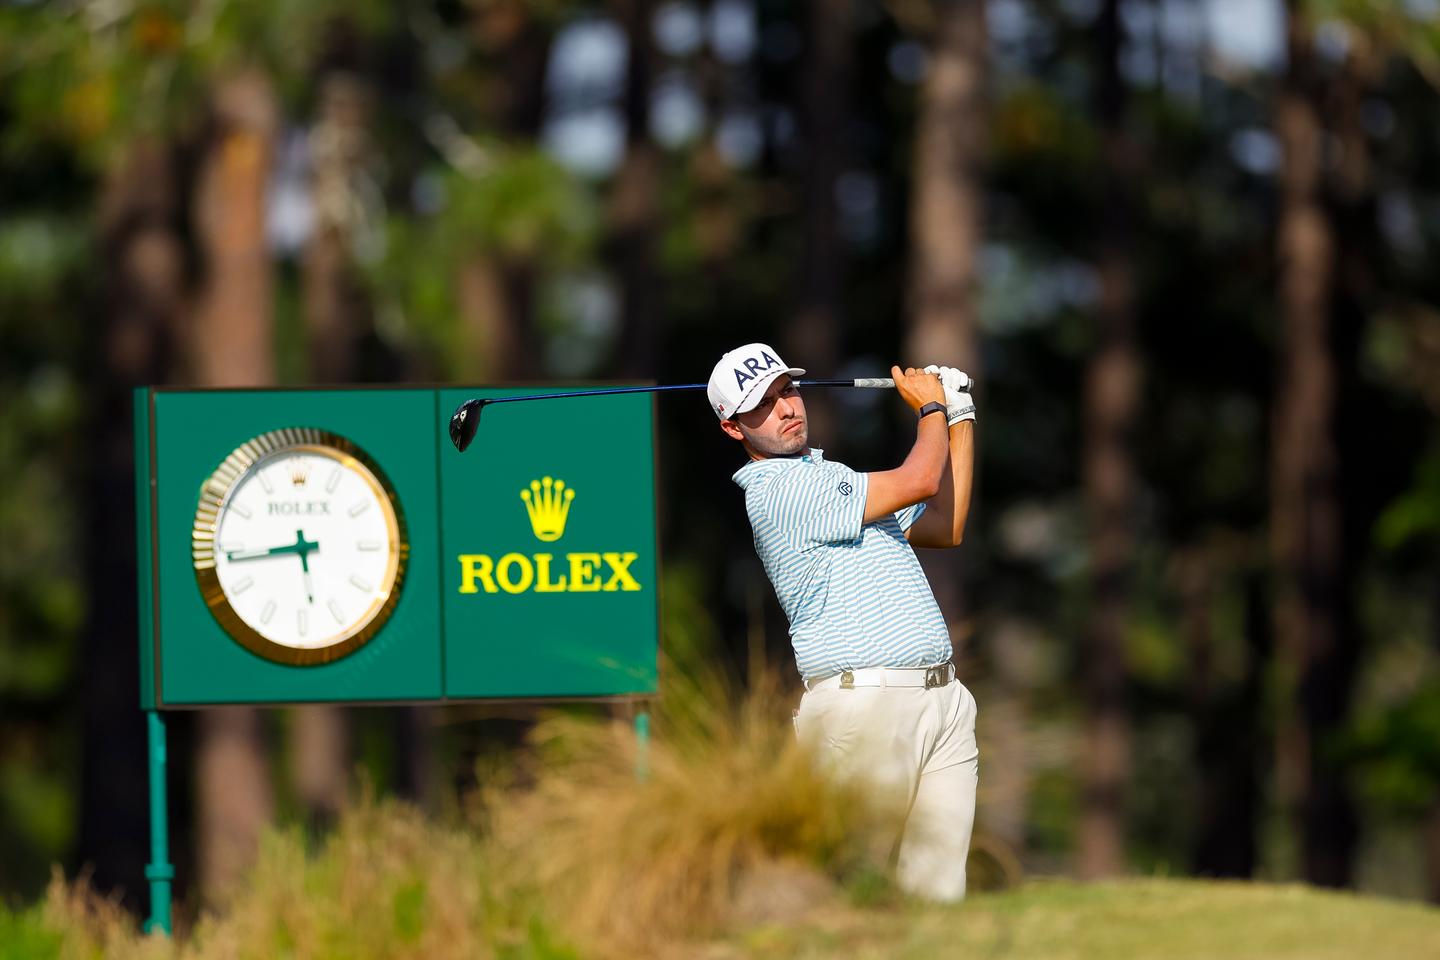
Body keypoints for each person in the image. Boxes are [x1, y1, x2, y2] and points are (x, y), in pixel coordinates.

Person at [708, 341, 978, 901]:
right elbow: (920, 482)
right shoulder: (776, 491)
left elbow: (945, 523)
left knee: (939, 896)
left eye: (788, 390)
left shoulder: (833, 478)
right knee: (858, 890)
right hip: (863, 710)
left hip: (942, 701)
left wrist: (959, 417)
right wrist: (929, 411)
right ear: (734, 429)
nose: (786, 408)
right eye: (762, 404)